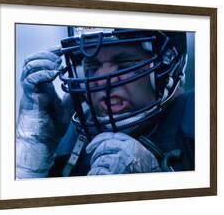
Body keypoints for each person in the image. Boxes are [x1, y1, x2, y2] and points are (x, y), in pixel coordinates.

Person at [16, 29, 194, 179]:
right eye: (92, 65)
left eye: (124, 64)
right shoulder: (73, 134)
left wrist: (156, 180)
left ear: (167, 65)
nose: (103, 80)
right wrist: (35, 149)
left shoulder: (198, 118)